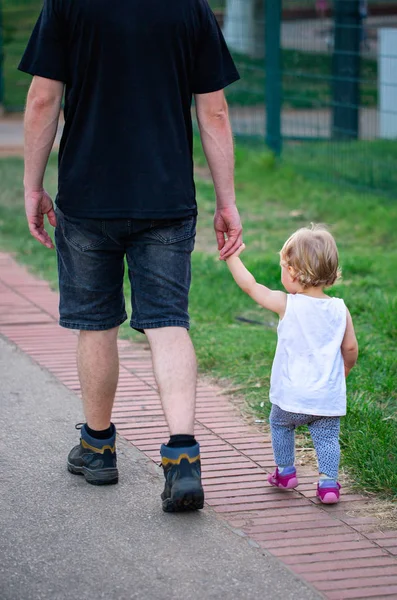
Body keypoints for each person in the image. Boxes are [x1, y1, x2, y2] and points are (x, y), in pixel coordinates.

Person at [18, 0, 242, 512]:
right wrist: (226, 201)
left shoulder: (67, 5)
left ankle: (97, 448)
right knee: (168, 322)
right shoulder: (191, 9)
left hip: (88, 196)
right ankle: (183, 458)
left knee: (96, 323)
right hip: (166, 199)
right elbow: (215, 111)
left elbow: (41, 99)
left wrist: (33, 187)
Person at [226, 225, 358, 504]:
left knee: (280, 425)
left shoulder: (288, 304)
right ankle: (328, 484)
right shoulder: (339, 308)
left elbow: (250, 286)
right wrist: (343, 372)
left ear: (295, 273)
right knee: (327, 439)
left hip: (290, 396)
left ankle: (285, 472)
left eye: (283, 268)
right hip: (325, 396)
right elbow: (350, 348)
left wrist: (231, 257)